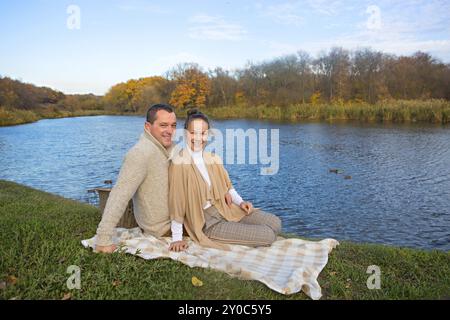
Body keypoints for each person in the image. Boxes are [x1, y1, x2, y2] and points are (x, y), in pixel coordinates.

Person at [168, 109, 282, 252]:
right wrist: (177, 237)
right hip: (208, 222)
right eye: (193, 133)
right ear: (185, 134)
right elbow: (176, 202)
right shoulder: (179, 163)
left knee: (275, 223)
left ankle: (238, 227)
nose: (198, 138)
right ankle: (233, 231)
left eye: (202, 133)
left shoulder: (212, 158)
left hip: (226, 208)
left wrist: (241, 202)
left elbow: (228, 187)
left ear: (208, 134)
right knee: (268, 235)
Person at [95, 104, 177, 253]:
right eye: (163, 125)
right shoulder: (140, 153)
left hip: (182, 220)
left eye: (173, 125)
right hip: (167, 229)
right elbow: (119, 195)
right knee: (231, 230)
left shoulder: (169, 148)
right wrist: (102, 239)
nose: (170, 131)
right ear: (147, 126)